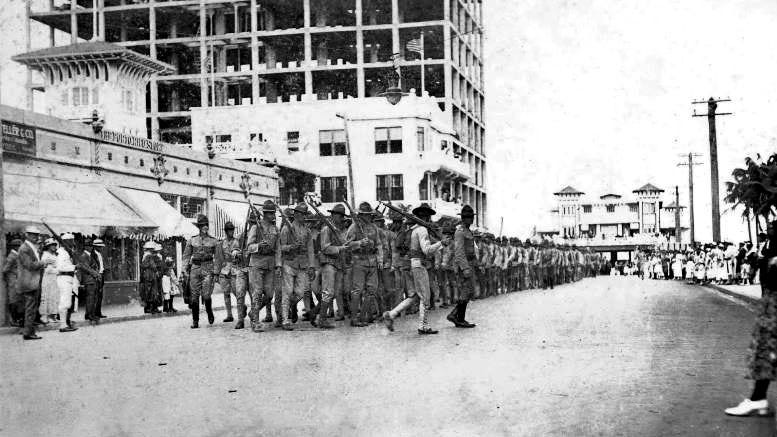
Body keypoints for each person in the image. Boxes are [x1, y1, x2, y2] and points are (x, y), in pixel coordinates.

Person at [726, 220, 777, 417]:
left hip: (773, 303)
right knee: (767, 350)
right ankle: (759, 398)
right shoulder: (770, 248)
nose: (768, 231)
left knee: (767, 349)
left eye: (772, 229)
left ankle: (758, 399)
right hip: (770, 300)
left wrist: (766, 262)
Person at [383, 203, 450, 335]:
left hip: (410, 265)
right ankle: (423, 326)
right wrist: (441, 243)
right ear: (425, 217)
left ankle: (391, 314)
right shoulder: (422, 230)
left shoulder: (411, 229)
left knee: (413, 296)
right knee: (425, 296)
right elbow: (427, 251)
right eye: (429, 217)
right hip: (419, 265)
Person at [277, 202, 316, 330]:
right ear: (297, 214)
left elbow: (310, 250)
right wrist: (291, 247)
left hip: (302, 265)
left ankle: (288, 307)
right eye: (302, 214)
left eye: (305, 214)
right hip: (289, 263)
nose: (304, 217)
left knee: (300, 292)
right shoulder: (286, 229)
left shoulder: (307, 231)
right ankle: (285, 320)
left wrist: (312, 266)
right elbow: (280, 248)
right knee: (287, 292)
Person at [345, 202, 384, 327]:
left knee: (371, 290)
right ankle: (354, 318)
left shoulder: (374, 227)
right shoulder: (354, 227)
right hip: (359, 261)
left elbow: (379, 244)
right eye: (365, 214)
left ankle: (364, 316)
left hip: (372, 262)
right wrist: (360, 243)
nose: (367, 217)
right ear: (360, 215)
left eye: (369, 214)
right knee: (357, 290)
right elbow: (347, 245)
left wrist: (380, 259)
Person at [245, 200, 280, 332]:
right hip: (257, 263)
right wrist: (259, 246)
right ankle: (255, 321)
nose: (273, 216)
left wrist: (278, 265)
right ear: (264, 214)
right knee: (257, 292)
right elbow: (249, 247)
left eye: (273, 213)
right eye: (270, 213)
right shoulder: (255, 227)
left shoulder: (275, 229)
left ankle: (253, 312)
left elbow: (278, 249)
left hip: (270, 264)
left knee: (270, 295)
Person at [182, 214, 222, 329]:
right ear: (198, 227)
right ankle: (195, 321)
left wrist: (215, 272)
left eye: (205, 225)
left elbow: (218, 258)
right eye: (202, 225)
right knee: (194, 297)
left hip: (208, 269)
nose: (204, 227)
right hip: (195, 269)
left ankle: (209, 311)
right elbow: (186, 256)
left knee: (206, 295)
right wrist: (184, 269)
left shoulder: (214, 241)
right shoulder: (192, 240)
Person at [315, 204, 351, 329]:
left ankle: (315, 313)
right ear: (332, 215)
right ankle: (322, 319)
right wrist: (340, 248)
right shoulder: (327, 229)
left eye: (342, 215)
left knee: (335, 293)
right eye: (338, 215)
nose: (340, 217)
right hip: (329, 263)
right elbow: (325, 248)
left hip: (339, 264)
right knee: (328, 292)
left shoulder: (341, 231)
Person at [18, 226, 54, 340]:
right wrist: (44, 262)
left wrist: (43, 263)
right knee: (30, 308)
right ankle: (28, 333)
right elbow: (29, 265)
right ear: (27, 235)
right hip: (29, 282)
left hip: (33, 281)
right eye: (33, 234)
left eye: (36, 235)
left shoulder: (31, 247)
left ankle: (29, 331)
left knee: (32, 308)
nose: (36, 237)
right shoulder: (24, 248)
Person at [447, 204, 478, 328]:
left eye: (471, 217)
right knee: (466, 291)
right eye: (467, 217)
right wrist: (465, 268)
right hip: (464, 265)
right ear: (463, 218)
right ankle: (459, 318)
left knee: (469, 291)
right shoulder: (460, 232)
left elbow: (471, 249)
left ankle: (455, 315)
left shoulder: (468, 230)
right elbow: (459, 252)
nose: (470, 219)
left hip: (470, 263)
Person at [217, 221, 241, 324]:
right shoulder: (222, 243)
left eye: (232, 230)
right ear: (226, 231)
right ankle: (229, 315)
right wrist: (217, 272)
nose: (231, 232)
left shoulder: (237, 241)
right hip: (225, 269)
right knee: (226, 293)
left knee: (237, 292)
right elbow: (219, 258)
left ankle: (242, 307)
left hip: (235, 268)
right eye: (229, 230)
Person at [56, 233, 78, 332]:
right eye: (71, 240)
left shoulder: (68, 252)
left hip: (69, 278)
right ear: (66, 241)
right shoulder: (61, 252)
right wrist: (74, 267)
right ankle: (63, 325)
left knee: (68, 303)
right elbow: (60, 267)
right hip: (63, 277)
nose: (72, 242)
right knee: (64, 303)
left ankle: (66, 323)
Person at [79, 239, 102, 325]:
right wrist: (96, 274)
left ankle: (90, 313)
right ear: (86, 246)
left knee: (93, 297)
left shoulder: (89, 255)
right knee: (90, 297)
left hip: (92, 279)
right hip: (89, 279)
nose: (91, 247)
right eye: (89, 246)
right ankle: (89, 314)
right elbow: (86, 268)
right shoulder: (84, 256)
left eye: (91, 246)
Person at [4, 239, 23, 326]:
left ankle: (17, 319)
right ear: (15, 247)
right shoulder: (12, 256)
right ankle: (13, 320)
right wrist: (12, 275)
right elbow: (5, 269)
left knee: (18, 300)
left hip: (17, 281)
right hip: (13, 281)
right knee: (13, 300)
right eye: (19, 246)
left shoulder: (17, 255)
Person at [40, 238, 59, 323]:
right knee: (46, 296)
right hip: (47, 278)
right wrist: (58, 270)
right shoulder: (45, 255)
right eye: (52, 245)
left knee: (53, 297)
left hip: (54, 279)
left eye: (55, 245)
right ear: (48, 246)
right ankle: (44, 316)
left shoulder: (55, 255)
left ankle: (52, 315)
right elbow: (47, 269)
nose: (54, 247)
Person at [140, 242, 161, 314]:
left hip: (146, 274)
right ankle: (151, 308)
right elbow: (153, 265)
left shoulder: (144, 255)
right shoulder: (149, 256)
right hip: (150, 275)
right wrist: (156, 271)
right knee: (152, 291)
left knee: (147, 291)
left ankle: (147, 308)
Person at [92, 239, 107, 318]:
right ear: (95, 247)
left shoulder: (100, 254)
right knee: (96, 295)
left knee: (100, 295)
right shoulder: (93, 255)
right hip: (97, 276)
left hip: (101, 274)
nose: (101, 248)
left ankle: (98, 312)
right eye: (99, 247)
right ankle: (94, 313)